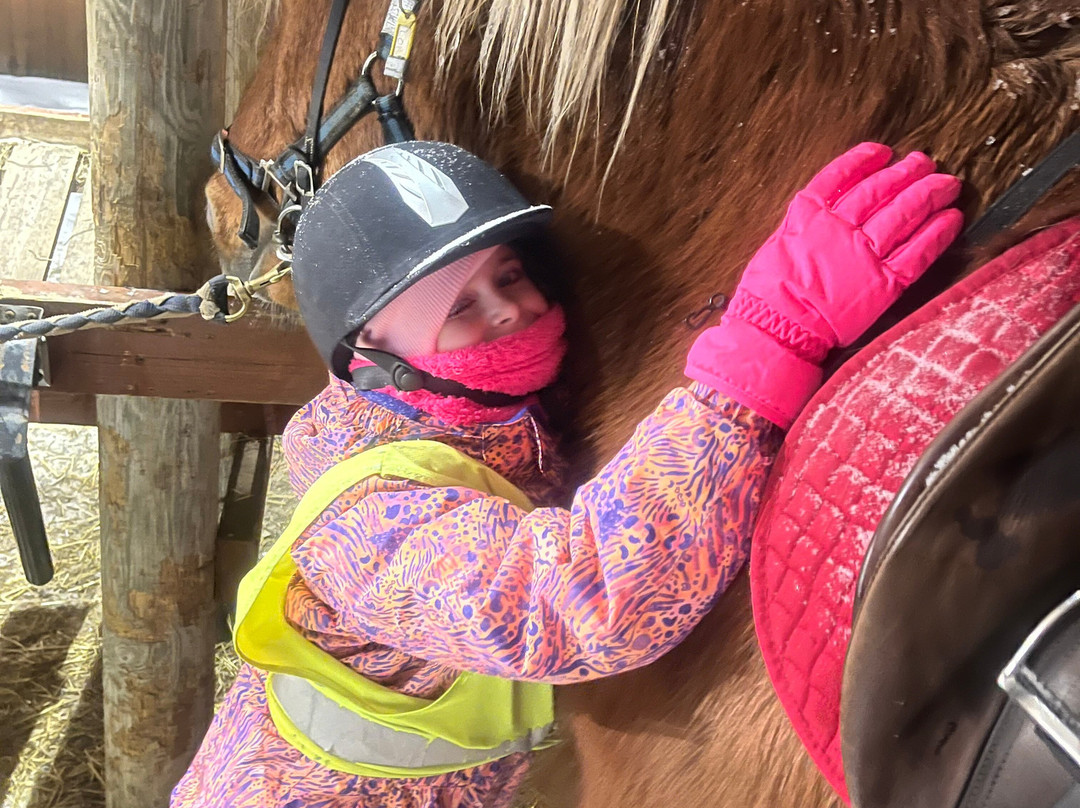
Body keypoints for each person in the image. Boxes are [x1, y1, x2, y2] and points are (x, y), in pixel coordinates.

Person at [171, 140, 962, 807]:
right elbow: (576, 602)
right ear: (374, 356)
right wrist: (766, 344)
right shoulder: (370, 520)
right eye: (459, 306)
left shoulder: (494, 423)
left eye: (510, 275)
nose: (508, 310)